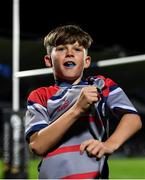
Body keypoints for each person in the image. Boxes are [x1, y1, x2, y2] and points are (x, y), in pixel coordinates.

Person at [25, 24, 142, 179]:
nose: (69, 53)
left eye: (77, 49)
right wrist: (77, 109)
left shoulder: (100, 84)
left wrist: (109, 144)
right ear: (48, 60)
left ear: (86, 61)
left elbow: (133, 119)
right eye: (61, 48)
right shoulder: (40, 95)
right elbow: (38, 146)